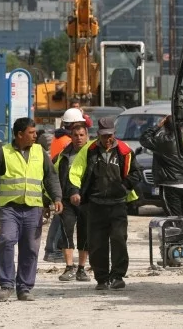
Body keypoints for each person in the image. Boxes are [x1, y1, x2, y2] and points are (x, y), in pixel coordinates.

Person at [0, 117, 63, 302]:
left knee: (31, 248)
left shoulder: (40, 152)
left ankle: (24, 288)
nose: (35, 135)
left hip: (33, 208)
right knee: (6, 240)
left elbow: (51, 177)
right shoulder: (4, 153)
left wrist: (56, 197)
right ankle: (6, 284)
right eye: (31, 133)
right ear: (19, 135)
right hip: (10, 208)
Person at [68, 117, 141, 290]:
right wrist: (75, 191)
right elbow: (76, 172)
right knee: (97, 243)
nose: (107, 139)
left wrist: (124, 187)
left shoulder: (124, 151)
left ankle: (117, 276)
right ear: (98, 134)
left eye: (109, 135)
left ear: (114, 134)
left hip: (118, 204)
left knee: (119, 240)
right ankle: (101, 278)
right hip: (95, 204)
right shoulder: (89, 150)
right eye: (103, 135)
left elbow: (136, 173)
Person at [44, 108, 87, 263]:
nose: (79, 136)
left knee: (61, 222)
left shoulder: (59, 137)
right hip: (66, 185)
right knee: (63, 224)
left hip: (62, 184)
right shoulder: (68, 141)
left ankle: (52, 250)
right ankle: (53, 250)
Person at [139, 114, 183, 217]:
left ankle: (180, 233)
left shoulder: (162, 140)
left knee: (174, 218)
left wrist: (157, 126)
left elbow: (144, 139)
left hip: (170, 184)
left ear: (165, 127)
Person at [52, 124, 91, 282]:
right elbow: (52, 176)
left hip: (86, 200)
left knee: (84, 234)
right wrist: (52, 198)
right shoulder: (63, 155)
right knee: (66, 232)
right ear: (71, 136)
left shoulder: (92, 153)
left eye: (81, 135)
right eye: (75, 135)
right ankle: (69, 267)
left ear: (86, 135)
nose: (79, 138)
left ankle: (81, 269)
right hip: (66, 200)